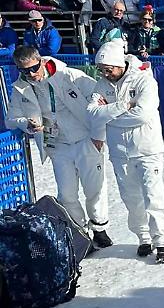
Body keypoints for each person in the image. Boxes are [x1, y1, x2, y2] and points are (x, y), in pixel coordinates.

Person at [5, 46, 111, 246]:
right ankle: (81, 233)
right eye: (24, 70)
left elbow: (101, 100)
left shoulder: (69, 75)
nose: (31, 74)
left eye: (34, 68)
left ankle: (99, 227)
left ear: (42, 62)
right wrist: (25, 123)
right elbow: (12, 119)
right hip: (57, 145)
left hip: (85, 138)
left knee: (94, 188)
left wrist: (99, 133)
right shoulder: (20, 88)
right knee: (66, 193)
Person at [88, 42, 164, 262]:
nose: (105, 73)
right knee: (130, 197)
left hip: (147, 148)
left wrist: (110, 116)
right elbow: (93, 114)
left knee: (153, 195)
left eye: (109, 69)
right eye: (102, 69)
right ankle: (143, 237)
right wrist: (122, 107)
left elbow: (143, 114)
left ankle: (162, 241)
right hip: (120, 151)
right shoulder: (102, 85)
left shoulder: (144, 80)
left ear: (119, 64)